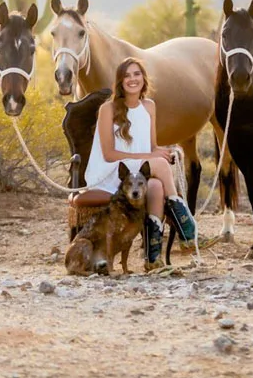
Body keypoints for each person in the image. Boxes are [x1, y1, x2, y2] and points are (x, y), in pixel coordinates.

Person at [69, 57, 200, 270]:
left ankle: (152, 258)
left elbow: (151, 147)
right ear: (120, 82)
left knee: (157, 186)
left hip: (136, 172)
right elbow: (109, 154)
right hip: (111, 172)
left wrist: (167, 152)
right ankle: (188, 230)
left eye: (136, 74)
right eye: (127, 75)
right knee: (158, 167)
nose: (132, 79)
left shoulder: (149, 107)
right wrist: (150, 159)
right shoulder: (108, 109)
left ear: (143, 78)